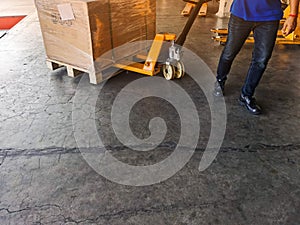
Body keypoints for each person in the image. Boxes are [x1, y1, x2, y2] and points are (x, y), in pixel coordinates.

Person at [214, 0, 300, 115]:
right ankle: (220, 79)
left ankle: (246, 94)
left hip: (269, 17)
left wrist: (293, 15)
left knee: (261, 59)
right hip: (241, 14)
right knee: (229, 53)